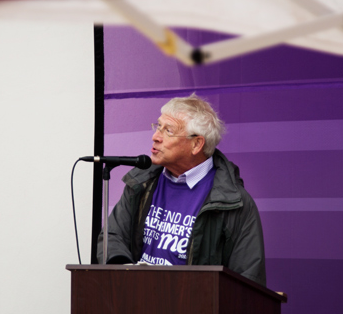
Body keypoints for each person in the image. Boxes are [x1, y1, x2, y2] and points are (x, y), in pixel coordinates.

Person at [97, 94, 266, 286]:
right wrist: (128, 275)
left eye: (168, 130)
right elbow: (112, 236)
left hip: (192, 310)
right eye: (158, 126)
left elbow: (248, 280)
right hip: (137, 301)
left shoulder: (235, 202)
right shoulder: (141, 182)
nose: (155, 137)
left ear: (196, 144)